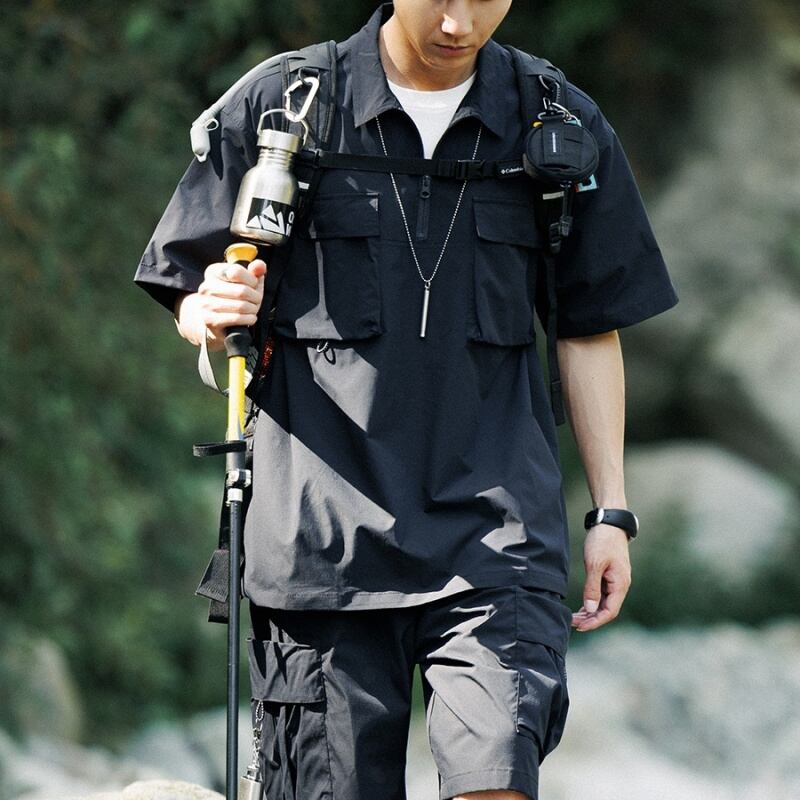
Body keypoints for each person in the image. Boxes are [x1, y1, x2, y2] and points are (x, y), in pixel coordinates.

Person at [135, 1, 677, 798]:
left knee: (497, 777)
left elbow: (591, 326)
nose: (459, 23)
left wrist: (611, 512)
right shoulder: (286, 103)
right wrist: (207, 310)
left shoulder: (557, 121)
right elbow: (190, 280)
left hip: (496, 532)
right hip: (321, 538)